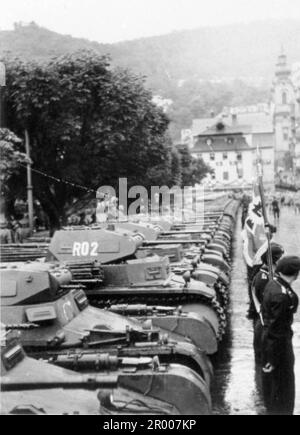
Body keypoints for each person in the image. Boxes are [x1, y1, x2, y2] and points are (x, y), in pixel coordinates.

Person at [261, 256, 300, 415]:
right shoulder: (282, 296)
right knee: (283, 390)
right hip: (279, 347)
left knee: (274, 390)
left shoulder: (274, 284)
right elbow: (277, 331)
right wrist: (272, 359)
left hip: (271, 342)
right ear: (295, 274)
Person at [251, 243, 284, 364]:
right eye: (280, 258)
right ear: (274, 260)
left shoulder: (270, 276)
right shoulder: (262, 278)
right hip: (265, 326)